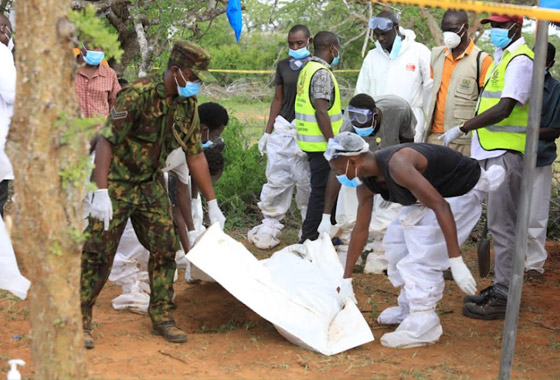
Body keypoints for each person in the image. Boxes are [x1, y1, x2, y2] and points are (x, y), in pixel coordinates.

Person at [81, 41, 226, 348]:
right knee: (99, 250)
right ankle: (79, 319)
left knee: (165, 247)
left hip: (149, 183)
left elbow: (195, 154)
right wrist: (101, 192)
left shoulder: (187, 106)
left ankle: (162, 315)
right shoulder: (137, 94)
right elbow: (106, 141)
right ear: (176, 71)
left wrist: (212, 204)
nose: (197, 83)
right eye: (194, 76)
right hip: (118, 181)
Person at [325, 132, 503, 348]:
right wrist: (346, 279)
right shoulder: (366, 182)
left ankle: (423, 323)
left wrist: (455, 260)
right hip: (433, 196)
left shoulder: (397, 164)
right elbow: (360, 229)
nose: (336, 175)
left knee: (423, 253)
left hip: (460, 191)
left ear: (352, 161)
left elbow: (441, 206)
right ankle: (409, 307)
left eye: (337, 169)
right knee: (396, 241)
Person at [439, 14, 534, 320]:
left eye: (499, 26)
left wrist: (463, 128)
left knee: (503, 227)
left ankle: (505, 296)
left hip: (505, 152)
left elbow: (505, 107)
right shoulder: (502, 57)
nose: (494, 31)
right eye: (492, 25)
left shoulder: (520, 60)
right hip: (492, 151)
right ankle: (501, 287)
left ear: (515, 28)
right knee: (497, 224)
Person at [318, 93, 415, 273]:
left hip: (392, 160)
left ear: (375, 116)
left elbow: (408, 145)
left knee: (389, 208)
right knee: (349, 188)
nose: (358, 124)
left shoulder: (399, 109)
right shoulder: (349, 126)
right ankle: (348, 243)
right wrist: (325, 215)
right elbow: (336, 169)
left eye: (362, 119)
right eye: (354, 119)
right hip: (360, 165)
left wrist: (396, 185)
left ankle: (381, 249)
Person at [248, 24, 312, 249]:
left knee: (307, 181)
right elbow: (278, 99)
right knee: (277, 178)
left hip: (307, 129)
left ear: (309, 42)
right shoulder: (283, 66)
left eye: (300, 43)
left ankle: (309, 226)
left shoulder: (316, 67)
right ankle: (271, 224)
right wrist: (268, 132)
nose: (295, 47)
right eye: (291, 44)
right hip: (283, 128)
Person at [355, 10, 432, 142]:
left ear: (396, 28)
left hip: (410, 125)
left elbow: (430, 90)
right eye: (377, 34)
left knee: (405, 160)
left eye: (384, 34)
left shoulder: (419, 52)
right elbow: (361, 92)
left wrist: (430, 126)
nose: (380, 38)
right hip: (379, 125)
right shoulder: (371, 57)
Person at [296, 31, 343, 243]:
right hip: (322, 143)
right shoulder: (322, 73)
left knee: (323, 190)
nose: (337, 53)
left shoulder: (307, 69)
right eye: (337, 49)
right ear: (331, 48)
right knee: (322, 192)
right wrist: (333, 142)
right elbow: (321, 111)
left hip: (311, 141)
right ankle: (310, 237)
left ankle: (325, 234)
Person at [424, 10, 492, 156]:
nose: (448, 34)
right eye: (445, 30)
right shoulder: (436, 55)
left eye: (453, 29)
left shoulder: (482, 60)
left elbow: (485, 104)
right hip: (435, 137)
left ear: (465, 27)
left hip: (464, 140)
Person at [525, 42, 560, 281]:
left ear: (550, 64)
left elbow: (555, 129)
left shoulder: (556, 89)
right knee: (511, 212)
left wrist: (526, 131)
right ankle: (511, 261)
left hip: (540, 155)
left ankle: (534, 265)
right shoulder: (517, 80)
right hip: (512, 155)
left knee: (535, 214)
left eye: (543, 59)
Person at [75, 42, 121, 119]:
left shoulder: (109, 74)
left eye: (102, 48)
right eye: (94, 47)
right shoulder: (65, 71)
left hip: (100, 129)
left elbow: (116, 103)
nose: (98, 51)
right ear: (81, 46)